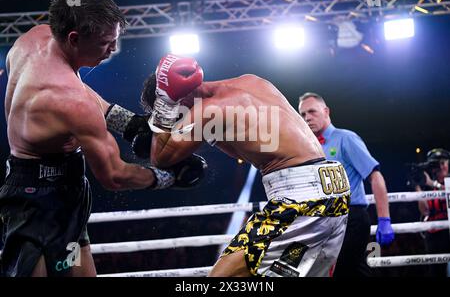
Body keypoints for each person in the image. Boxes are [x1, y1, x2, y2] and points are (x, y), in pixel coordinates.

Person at [0, 0, 205, 277]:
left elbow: (72, 87)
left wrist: (131, 125)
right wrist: (169, 178)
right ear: (74, 38)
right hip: (33, 198)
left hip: (56, 185)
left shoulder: (33, 39)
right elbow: (114, 176)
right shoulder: (71, 102)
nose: (112, 49)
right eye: (105, 43)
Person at [140, 54, 351, 277]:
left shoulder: (208, 110)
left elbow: (160, 157)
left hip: (300, 198)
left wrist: (164, 104)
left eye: (173, 114)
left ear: (177, 99)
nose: (176, 122)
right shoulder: (252, 82)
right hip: (332, 188)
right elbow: (244, 147)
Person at [298, 92, 394, 277]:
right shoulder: (308, 147)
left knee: (343, 271)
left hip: (351, 218)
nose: (307, 117)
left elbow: (375, 176)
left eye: (312, 111)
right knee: (354, 271)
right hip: (323, 221)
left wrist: (384, 219)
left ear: (326, 111)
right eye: (302, 114)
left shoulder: (345, 138)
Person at [415, 148, 450, 277]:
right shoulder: (428, 184)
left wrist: (433, 183)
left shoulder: (437, 182)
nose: (441, 167)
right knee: (436, 271)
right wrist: (417, 187)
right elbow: (425, 210)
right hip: (434, 233)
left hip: (448, 231)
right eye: (437, 164)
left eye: (443, 163)